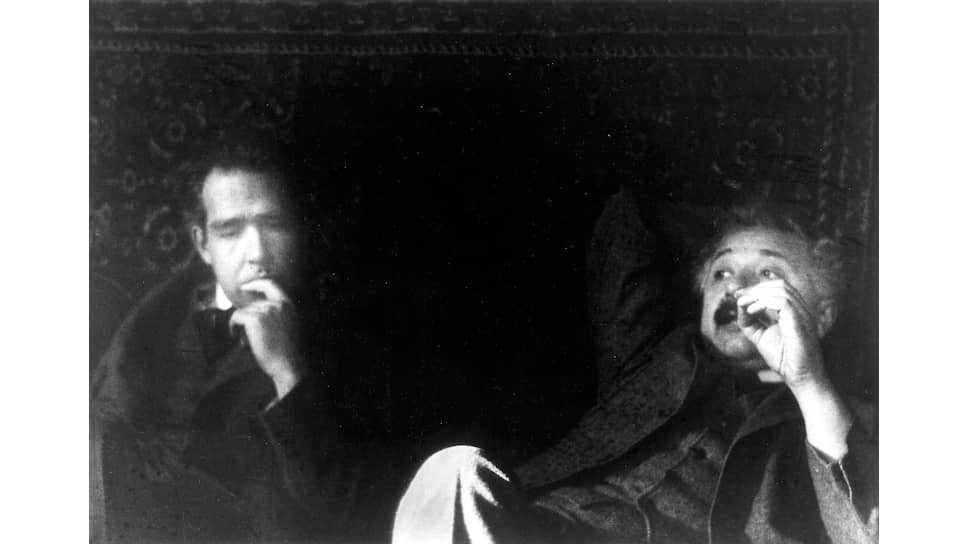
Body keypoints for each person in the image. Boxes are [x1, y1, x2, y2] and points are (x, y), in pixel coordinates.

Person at [392, 189, 878, 544]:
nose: (735, 288)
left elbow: (872, 531)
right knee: (455, 469)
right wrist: (734, 218)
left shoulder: (846, 419)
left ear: (823, 314)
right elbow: (627, 220)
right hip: (540, 529)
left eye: (768, 273)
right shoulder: (653, 356)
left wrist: (808, 382)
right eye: (722, 272)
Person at [91, 135, 407, 543]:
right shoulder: (155, 319)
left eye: (275, 225)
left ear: (302, 230)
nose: (256, 252)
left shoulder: (355, 336)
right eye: (230, 231)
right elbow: (100, 450)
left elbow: (359, 514)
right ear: (203, 244)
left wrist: (287, 371)